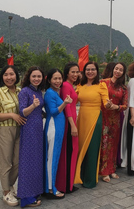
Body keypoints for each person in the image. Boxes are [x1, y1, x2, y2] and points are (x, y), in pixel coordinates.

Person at [0, 65, 25, 207]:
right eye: (6, 74)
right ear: (2, 77)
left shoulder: (20, 91)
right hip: (4, 129)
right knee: (5, 161)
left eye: (11, 74)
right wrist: (11, 114)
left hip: (20, 129)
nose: (9, 77)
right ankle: (5, 192)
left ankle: (10, 186)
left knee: (17, 160)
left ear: (16, 76)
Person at [74, 61, 110, 188]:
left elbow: (106, 102)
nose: (90, 72)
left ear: (97, 71)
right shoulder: (80, 85)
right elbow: (73, 100)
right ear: (84, 72)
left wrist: (109, 104)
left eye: (93, 69)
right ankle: (80, 176)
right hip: (82, 118)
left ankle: (90, 179)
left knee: (92, 148)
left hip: (95, 118)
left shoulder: (101, 86)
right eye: (88, 69)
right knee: (80, 146)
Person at [17, 66, 45, 207]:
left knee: (36, 161)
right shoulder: (24, 92)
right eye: (34, 76)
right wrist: (33, 106)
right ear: (29, 77)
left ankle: (35, 192)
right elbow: (22, 112)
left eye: (39, 76)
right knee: (28, 162)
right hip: (29, 130)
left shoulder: (39, 91)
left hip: (38, 129)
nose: (36, 79)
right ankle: (26, 197)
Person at [43, 68, 73, 199]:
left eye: (59, 78)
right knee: (52, 159)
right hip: (53, 129)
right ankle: (50, 188)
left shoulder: (55, 93)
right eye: (54, 78)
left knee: (55, 158)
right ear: (49, 80)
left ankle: (51, 186)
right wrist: (65, 103)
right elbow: (54, 112)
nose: (57, 81)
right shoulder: (50, 93)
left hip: (58, 129)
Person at [99, 62, 128, 182]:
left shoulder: (123, 88)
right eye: (116, 69)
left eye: (121, 70)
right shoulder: (103, 82)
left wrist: (116, 107)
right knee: (104, 144)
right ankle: (104, 171)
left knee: (113, 144)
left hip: (115, 119)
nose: (118, 71)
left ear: (123, 73)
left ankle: (112, 170)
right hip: (103, 116)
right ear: (113, 69)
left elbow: (125, 105)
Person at [57, 62, 80, 194]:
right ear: (67, 73)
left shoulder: (70, 85)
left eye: (77, 72)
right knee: (68, 153)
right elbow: (67, 108)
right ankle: (65, 185)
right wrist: (72, 125)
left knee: (72, 152)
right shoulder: (66, 85)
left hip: (72, 122)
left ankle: (69, 183)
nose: (76, 74)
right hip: (69, 122)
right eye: (73, 72)